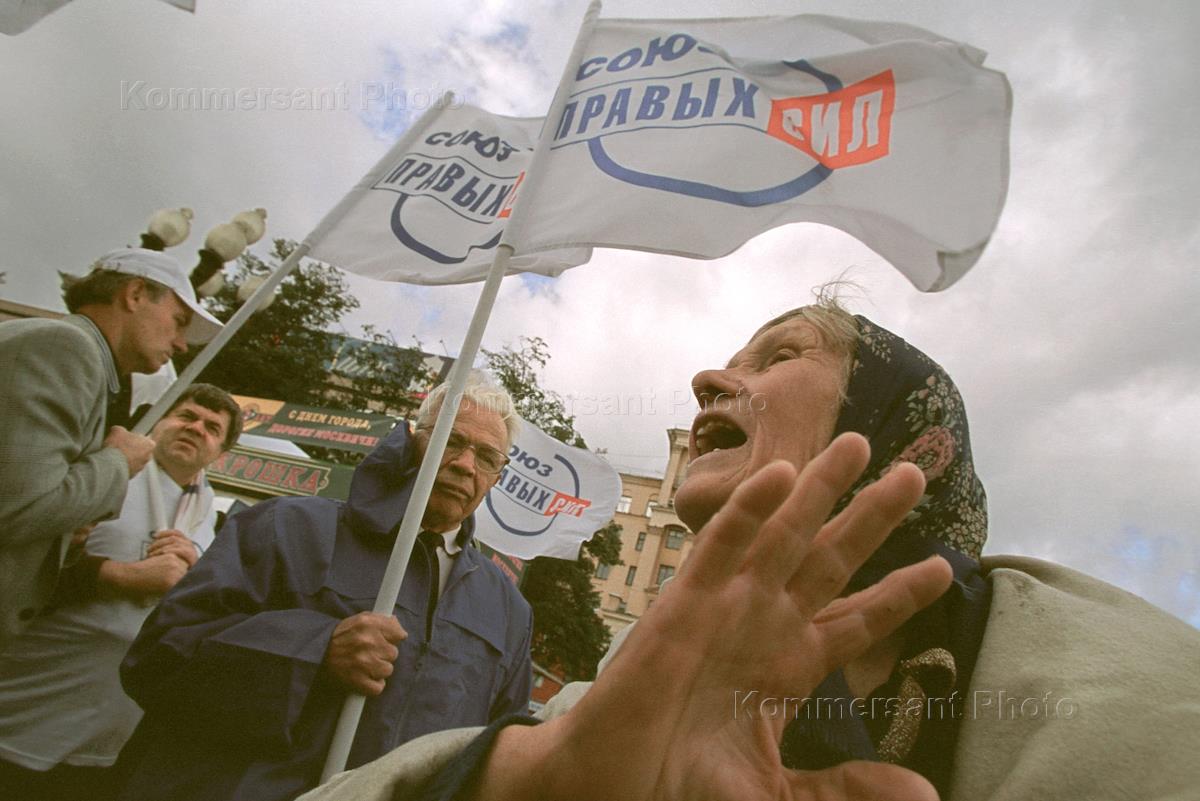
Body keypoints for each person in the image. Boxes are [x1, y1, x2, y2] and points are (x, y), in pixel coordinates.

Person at [297, 302, 1200, 801]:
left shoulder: (1113, 678)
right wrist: (525, 784)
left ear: (893, 425)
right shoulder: (634, 688)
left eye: (780, 354)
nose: (709, 378)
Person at [112, 374, 534, 801]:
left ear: (497, 477)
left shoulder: (508, 613)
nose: (465, 465)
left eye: (486, 457)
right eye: (450, 440)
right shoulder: (287, 527)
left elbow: (494, 756)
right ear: (413, 440)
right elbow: (158, 657)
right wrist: (314, 650)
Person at [0, 383, 243, 801]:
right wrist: (122, 576)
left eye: (212, 428)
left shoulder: (205, 509)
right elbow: (22, 561)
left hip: (105, 730)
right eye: (186, 416)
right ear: (159, 419)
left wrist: (198, 574)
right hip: (30, 698)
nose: (196, 429)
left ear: (220, 452)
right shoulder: (111, 470)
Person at [0, 247, 222, 647]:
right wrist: (119, 461)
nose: (181, 344)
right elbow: (19, 508)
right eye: (178, 322)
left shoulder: (78, 356)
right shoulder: (67, 348)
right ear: (135, 294)